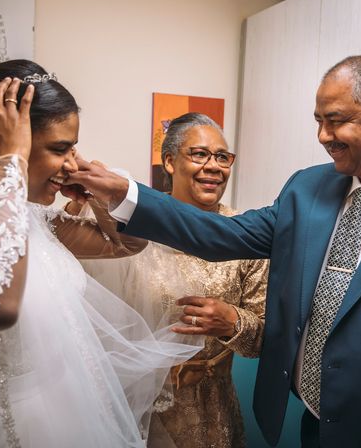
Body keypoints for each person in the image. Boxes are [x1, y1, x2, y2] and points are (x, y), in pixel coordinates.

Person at [65, 55, 361, 447]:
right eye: (317, 120)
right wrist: (125, 193)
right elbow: (220, 235)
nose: (322, 135)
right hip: (314, 428)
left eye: (336, 120)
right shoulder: (307, 190)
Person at [0, 60, 201, 448]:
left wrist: (101, 197)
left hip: (56, 414)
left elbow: (125, 244)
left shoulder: (35, 217)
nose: (72, 163)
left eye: (73, 148)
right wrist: (10, 166)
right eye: (59, 148)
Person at [79, 112, 268, 448]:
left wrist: (232, 321)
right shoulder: (133, 227)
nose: (214, 166)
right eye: (199, 154)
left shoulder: (245, 234)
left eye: (223, 157)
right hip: (145, 409)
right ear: (169, 161)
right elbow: (95, 324)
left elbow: (263, 340)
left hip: (217, 411)